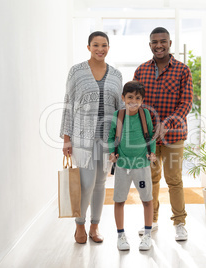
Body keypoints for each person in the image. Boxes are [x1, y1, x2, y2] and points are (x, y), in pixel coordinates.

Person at [60, 31, 123, 244]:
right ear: (88, 47)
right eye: (96, 45)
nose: (100, 49)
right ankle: (80, 225)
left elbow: (119, 108)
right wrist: (66, 138)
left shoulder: (116, 74)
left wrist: (120, 140)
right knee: (86, 184)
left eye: (104, 45)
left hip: (106, 140)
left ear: (108, 47)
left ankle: (95, 226)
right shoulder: (76, 71)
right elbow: (68, 104)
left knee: (101, 183)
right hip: (81, 138)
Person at [133, 27, 193, 241]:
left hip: (174, 134)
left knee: (174, 179)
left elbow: (186, 102)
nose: (159, 45)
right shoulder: (141, 71)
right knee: (150, 178)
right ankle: (152, 220)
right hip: (147, 137)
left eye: (163, 41)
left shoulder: (182, 70)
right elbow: (135, 102)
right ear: (150, 45)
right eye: (155, 42)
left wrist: (167, 123)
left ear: (169, 43)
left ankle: (179, 223)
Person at [108, 81, 157, 251]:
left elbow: (151, 136)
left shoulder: (145, 115)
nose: (133, 101)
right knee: (119, 200)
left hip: (142, 165)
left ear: (142, 100)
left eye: (137, 98)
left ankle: (147, 235)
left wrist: (152, 152)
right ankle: (121, 235)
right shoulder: (118, 115)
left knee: (147, 200)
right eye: (130, 97)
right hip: (122, 166)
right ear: (123, 98)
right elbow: (111, 137)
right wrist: (111, 152)